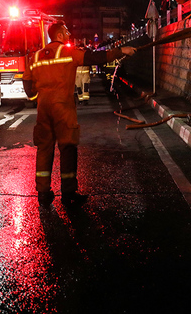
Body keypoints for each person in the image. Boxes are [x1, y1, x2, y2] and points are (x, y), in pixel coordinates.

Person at [22, 21, 136, 207]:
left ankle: (43, 194)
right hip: (63, 108)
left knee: (44, 149)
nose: (69, 34)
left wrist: (37, 97)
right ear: (59, 35)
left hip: (43, 109)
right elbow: (95, 58)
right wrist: (121, 51)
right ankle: (68, 194)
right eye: (66, 31)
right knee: (67, 148)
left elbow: (27, 83)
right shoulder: (68, 52)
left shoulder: (36, 57)